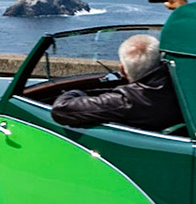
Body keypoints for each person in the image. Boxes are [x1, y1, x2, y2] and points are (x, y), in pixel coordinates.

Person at [51, 32, 184, 131]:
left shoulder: (124, 101)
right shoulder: (183, 85)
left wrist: (77, 92)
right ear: (161, 62)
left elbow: (61, 110)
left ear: (123, 70)